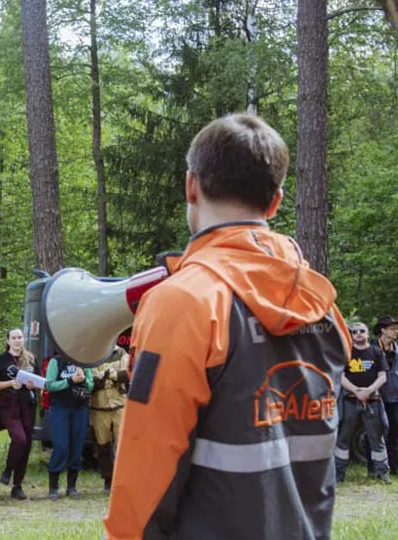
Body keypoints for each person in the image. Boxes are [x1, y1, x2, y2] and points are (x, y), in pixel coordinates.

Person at [103, 114, 351, 539]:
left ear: (191, 186)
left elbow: (147, 465)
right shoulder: (322, 305)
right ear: (275, 202)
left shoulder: (183, 302)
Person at [335, 322, 390, 483]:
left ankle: (381, 473)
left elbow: (383, 377)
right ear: (350, 335)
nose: (358, 333)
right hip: (349, 400)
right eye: (354, 331)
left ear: (367, 334)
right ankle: (339, 474)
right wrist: (356, 391)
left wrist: (367, 391)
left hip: (373, 400)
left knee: (377, 437)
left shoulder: (376, 352)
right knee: (343, 438)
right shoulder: (346, 353)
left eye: (362, 331)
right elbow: (340, 377)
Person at [0, 328, 37, 500]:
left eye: (20, 337)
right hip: (9, 405)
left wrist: (33, 384)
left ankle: (17, 486)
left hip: (28, 404)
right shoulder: (0, 360)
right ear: (8, 340)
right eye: (14, 338)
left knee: (27, 444)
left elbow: (38, 379)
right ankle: (8, 470)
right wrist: (10, 383)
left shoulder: (30, 358)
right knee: (19, 439)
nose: (17, 340)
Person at [43, 353, 93, 499]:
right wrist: (70, 380)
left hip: (80, 409)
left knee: (77, 446)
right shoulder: (56, 361)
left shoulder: (84, 360)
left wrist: (83, 379)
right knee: (61, 446)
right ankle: (53, 486)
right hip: (60, 408)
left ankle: (72, 487)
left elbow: (91, 385)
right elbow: (50, 385)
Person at [89, 346, 130, 493]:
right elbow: (91, 380)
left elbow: (126, 374)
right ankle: (108, 480)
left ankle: (123, 481)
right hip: (98, 407)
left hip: (119, 405)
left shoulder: (121, 353)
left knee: (123, 446)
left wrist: (106, 374)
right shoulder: (92, 354)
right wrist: (112, 376)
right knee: (102, 446)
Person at [374, 315, 398, 473]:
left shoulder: (397, 349)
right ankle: (377, 468)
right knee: (378, 432)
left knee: (395, 432)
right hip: (377, 396)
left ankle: (395, 467)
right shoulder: (372, 349)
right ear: (383, 330)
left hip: (395, 396)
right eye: (392, 328)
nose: (396, 331)